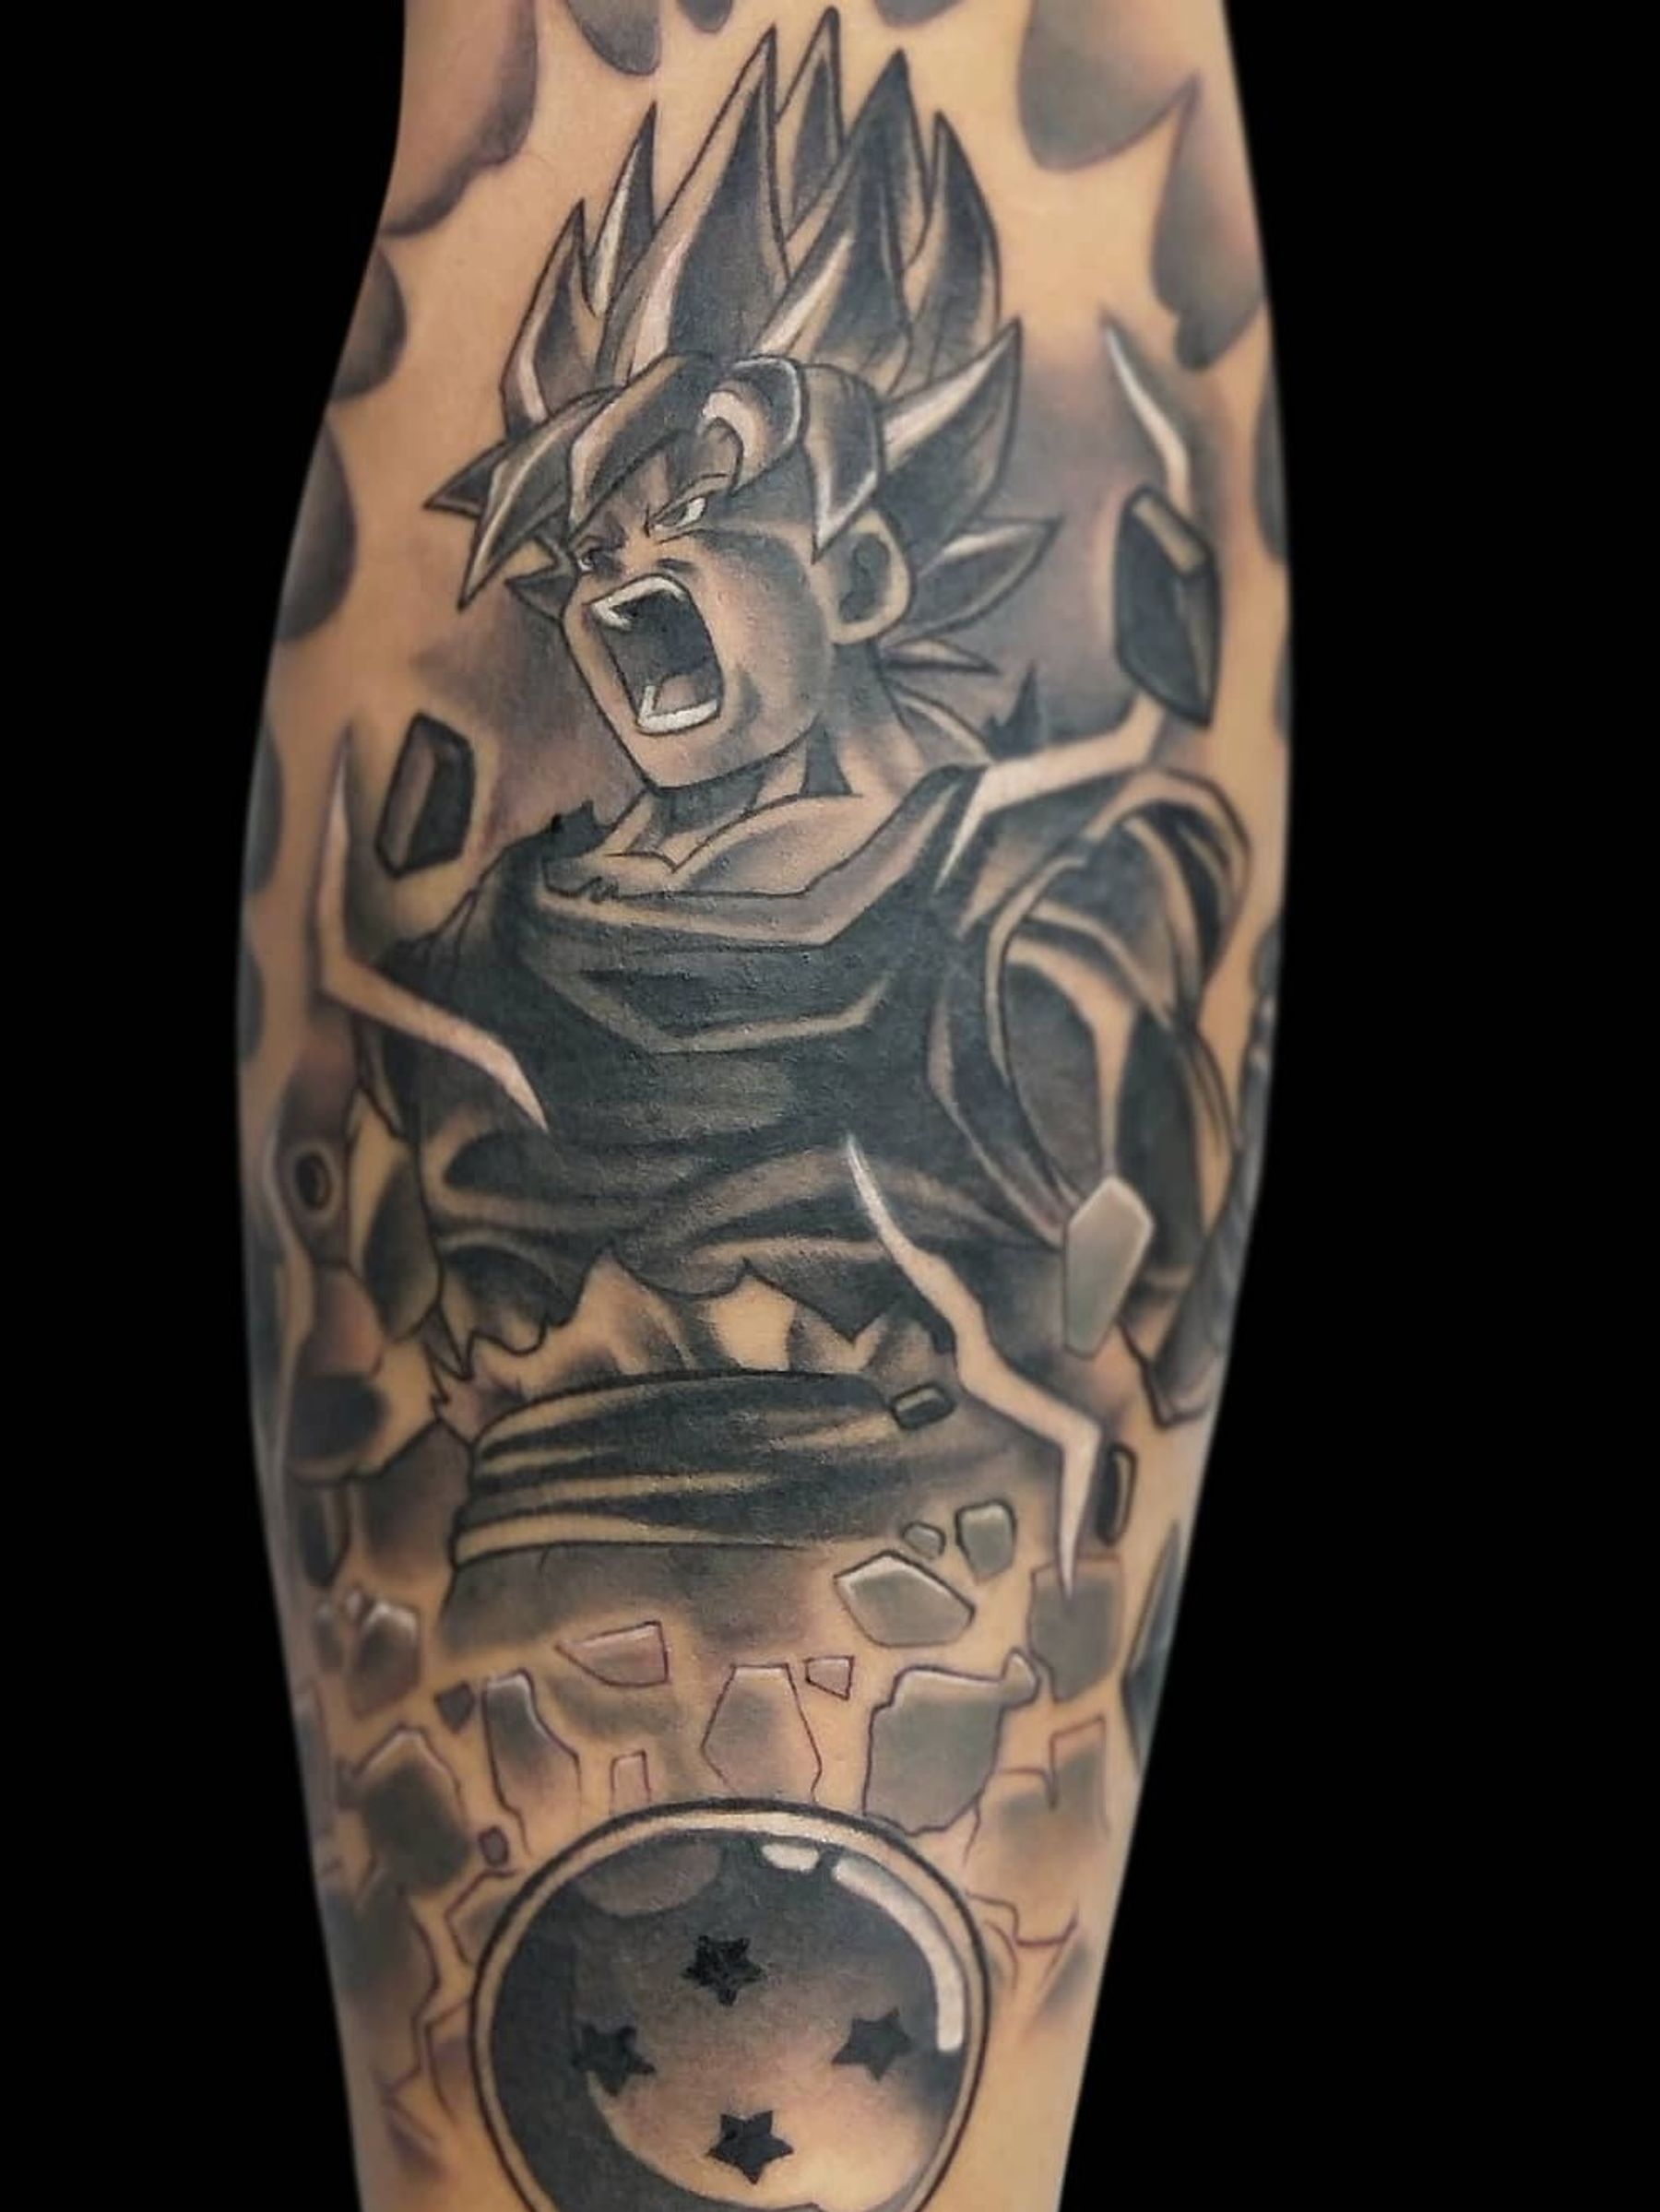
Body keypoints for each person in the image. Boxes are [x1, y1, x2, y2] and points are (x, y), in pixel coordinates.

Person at [241, 6, 1286, 2206]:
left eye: (689, 508)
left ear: (870, 576)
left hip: (890, 1620)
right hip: (527, 1637)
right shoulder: (502, 929)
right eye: (579, 546)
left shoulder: (993, 897)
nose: (610, 577)